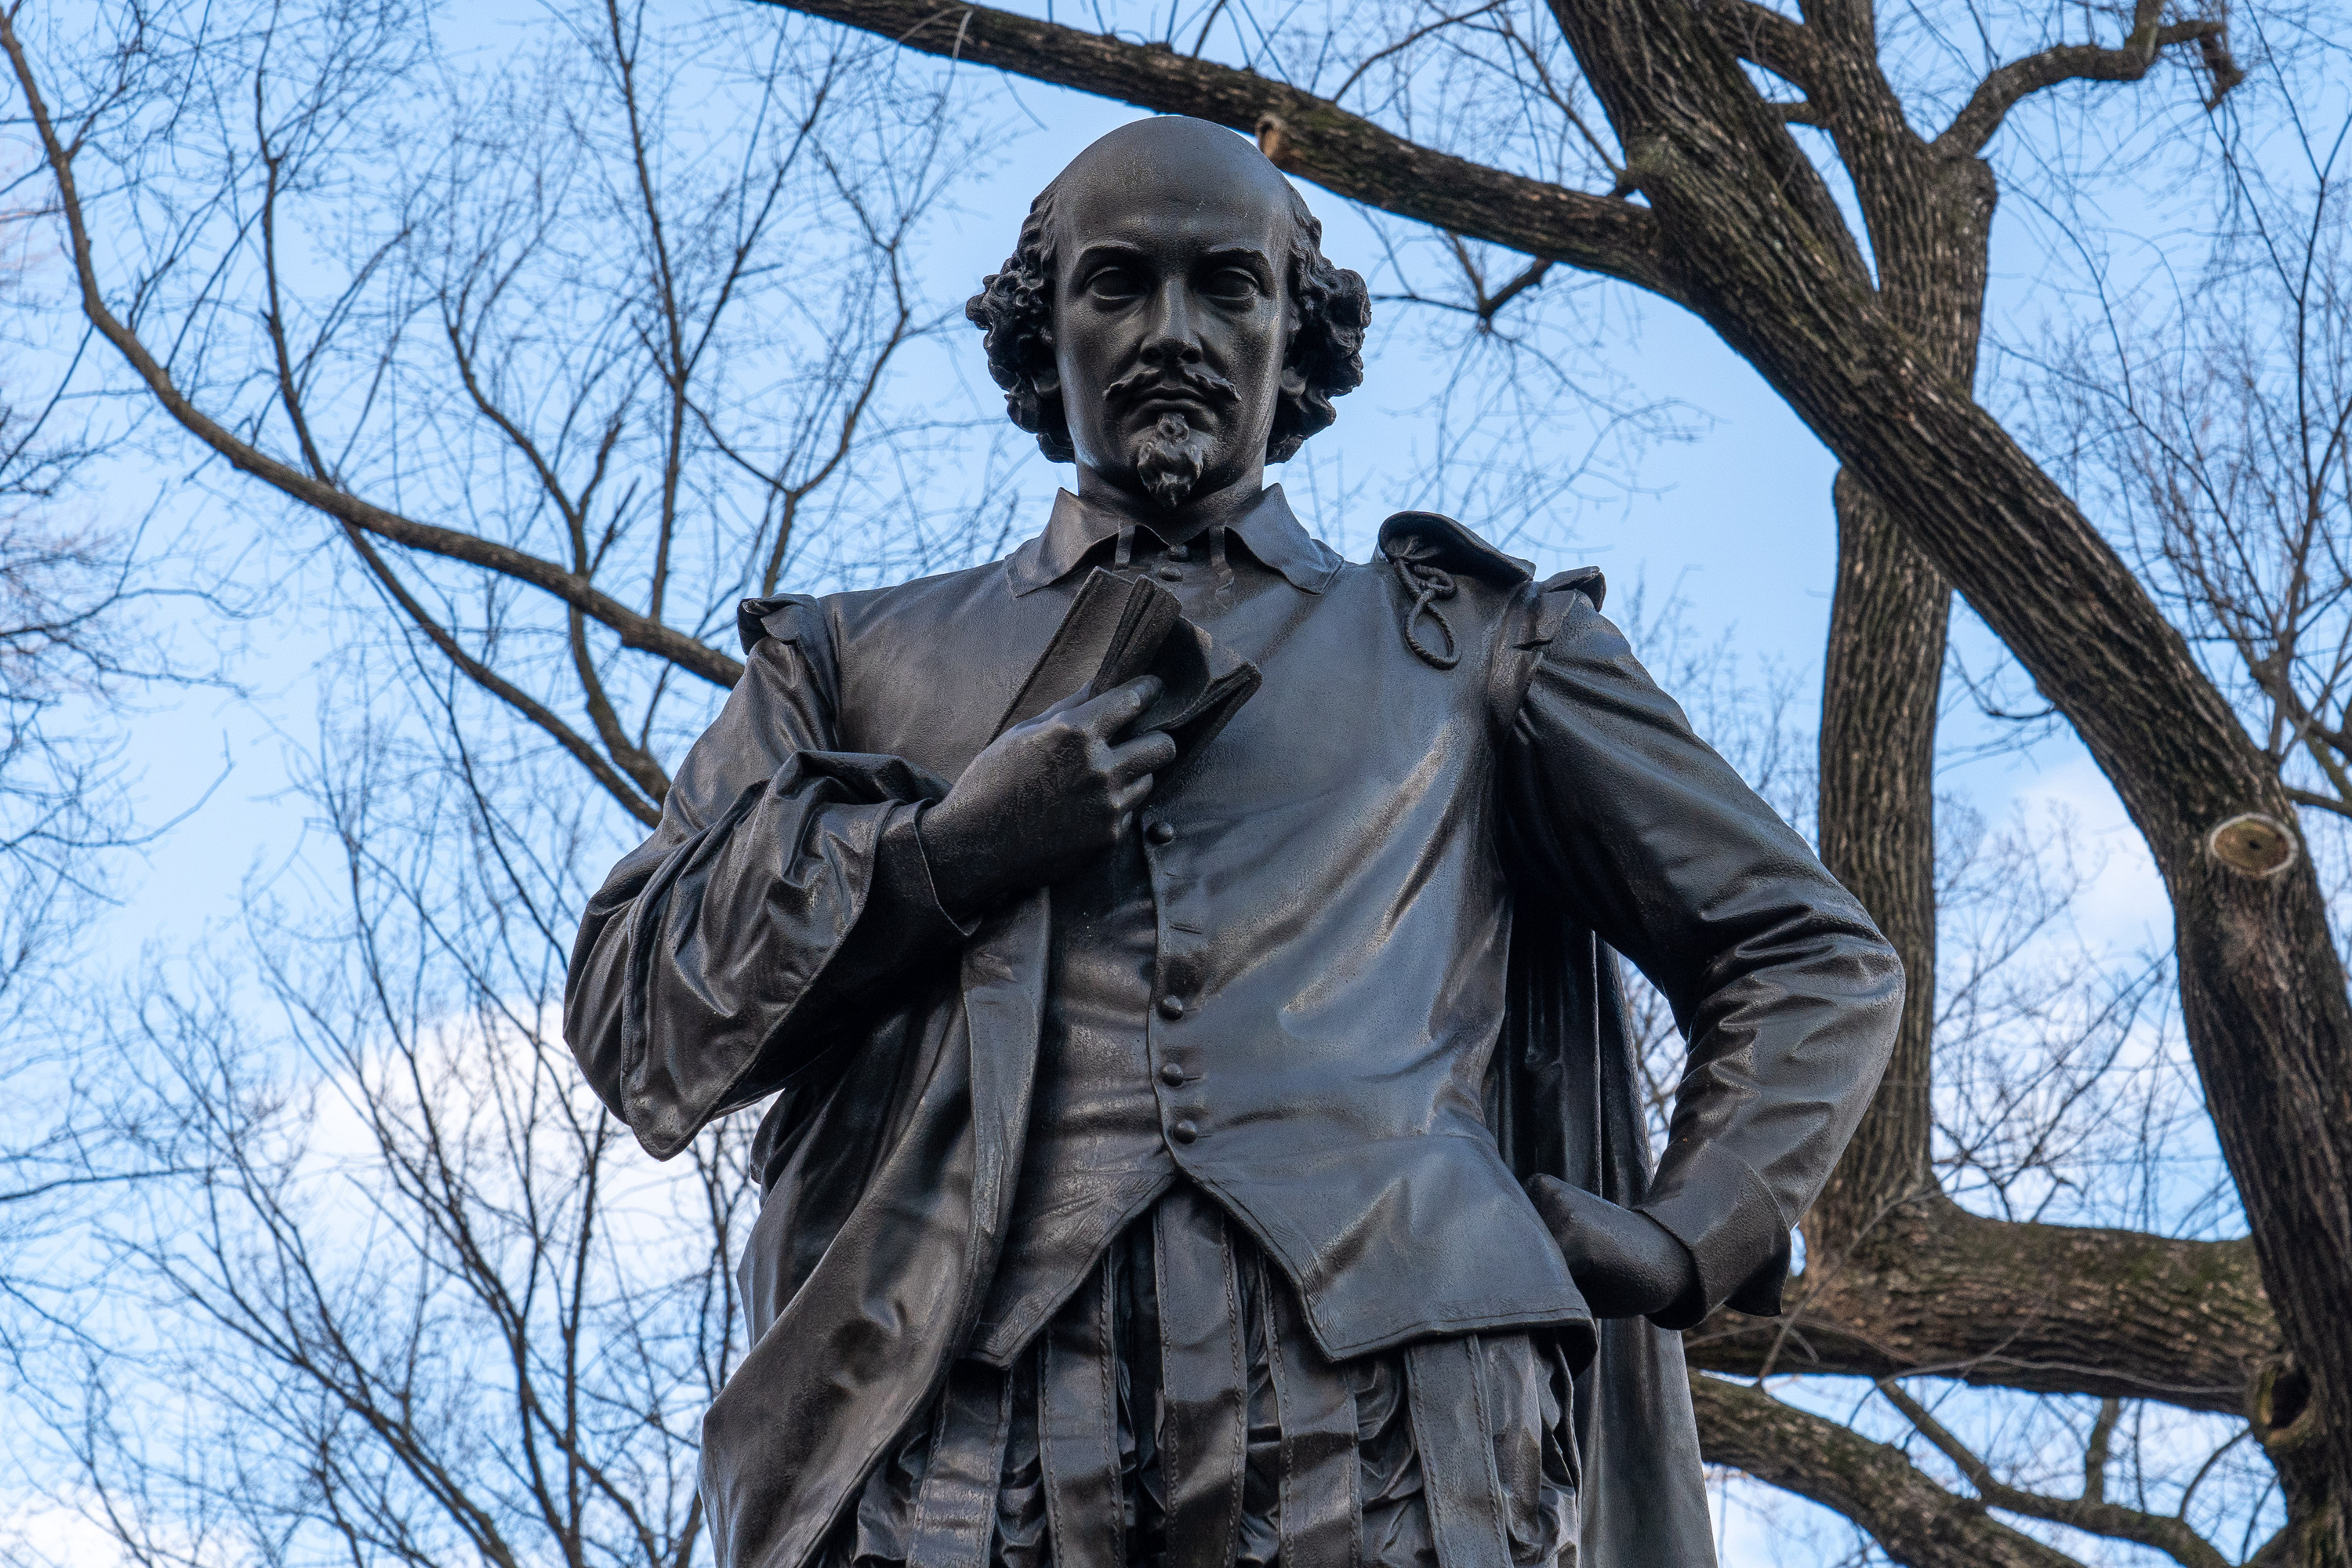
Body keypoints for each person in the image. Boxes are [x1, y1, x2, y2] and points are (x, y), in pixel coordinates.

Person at [564, 115, 1900, 1568]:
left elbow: (1806, 950)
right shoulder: (849, 660)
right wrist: (943, 853)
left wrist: (1693, 1230)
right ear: (1043, 328)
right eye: (1119, 283)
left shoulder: (1476, 648)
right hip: (952, 1435)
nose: (1173, 331)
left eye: (1228, 286)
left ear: (1295, 334)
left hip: (1398, 1430)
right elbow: (637, 1007)